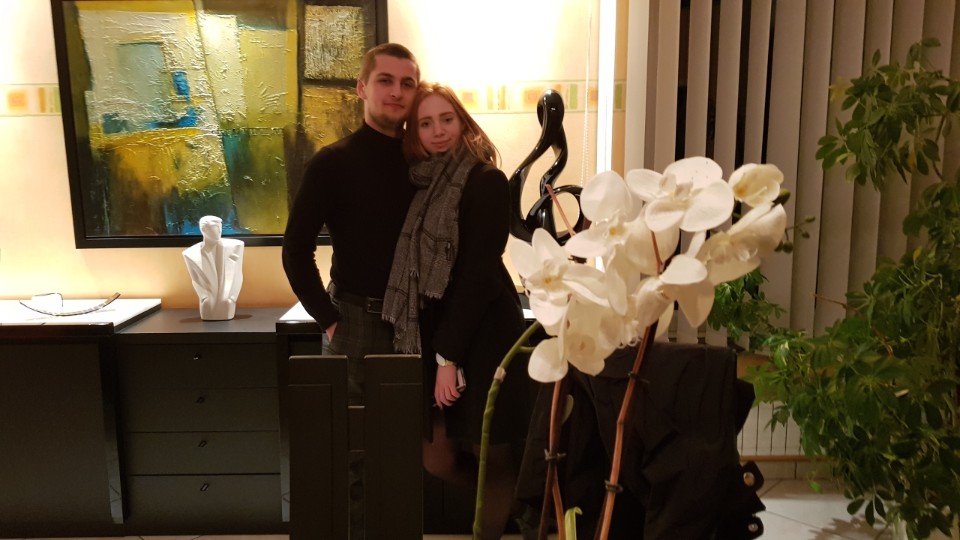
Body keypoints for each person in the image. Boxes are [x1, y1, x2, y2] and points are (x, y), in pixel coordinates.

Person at [281, 42, 420, 540]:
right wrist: (329, 318)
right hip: (353, 321)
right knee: (353, 453)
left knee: (405, 451)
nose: (397, 92)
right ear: (362, 88)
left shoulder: (427, 163)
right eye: (385, 80)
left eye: (407, 83)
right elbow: (295, 249)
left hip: (415, 323)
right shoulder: (332, 163)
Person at [382, 82, 529, 540]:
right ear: (414, 132)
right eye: (425, 123)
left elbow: (478, 275)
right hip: (438, 331)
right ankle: (525, 508)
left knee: (492, 456)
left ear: (463, 123)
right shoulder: (421, 184)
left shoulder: (485, 180)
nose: (438, 131)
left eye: (447, 119)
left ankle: (497, 523)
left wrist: (449, 357)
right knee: (437, 457)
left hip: (484, 332)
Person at [182, 215, 243, 320]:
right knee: (208, 305)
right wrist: (204, 297)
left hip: (227, 300)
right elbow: (195, 279)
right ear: (204, 230)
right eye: (215, 227)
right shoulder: (191, 254)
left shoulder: (236, 247)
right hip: (208, 303)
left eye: (220, 227)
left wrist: (232, 298)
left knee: (225, 303)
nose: (219, 231)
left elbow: (238, 274)